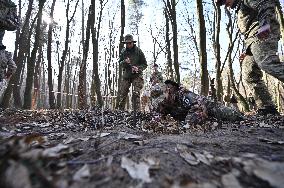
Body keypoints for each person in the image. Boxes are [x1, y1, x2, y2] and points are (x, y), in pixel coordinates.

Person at [215, 0, 284, 115]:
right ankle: (267, 108)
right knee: (248, 73)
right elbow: (249, 29)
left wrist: (265, 25)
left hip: (264, 32)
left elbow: (265, 4)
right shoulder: (240, 8)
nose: (225, 4)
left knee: (267, 63)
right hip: (252, 40)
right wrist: (247, 51)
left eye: (224, 0)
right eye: (222, 3)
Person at [157, 80, 243, 124]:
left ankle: (239, 113)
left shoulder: (182, 95)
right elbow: (160, 116)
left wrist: (186, 124)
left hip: (211, 108)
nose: (163, 100)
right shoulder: (165, 104)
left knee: (234, 116)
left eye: (168, 90)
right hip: (208, 116)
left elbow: (198, 107)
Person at [117, 34, 147, 111]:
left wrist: (138, 68)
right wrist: (125, 62)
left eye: (130, 43)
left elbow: (144, 64)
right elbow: (120, 63)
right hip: (127, 75)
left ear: (133, 42)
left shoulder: (138, 51)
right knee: (122, 94)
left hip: (137, 75)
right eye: (126, 43)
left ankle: (136, 113)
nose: (128, 45)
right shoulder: (123, 51)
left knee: (136, 94)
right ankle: (120, 112)